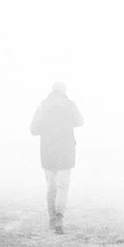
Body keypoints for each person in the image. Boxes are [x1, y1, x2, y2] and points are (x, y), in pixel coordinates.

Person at [30, 82, 83, 234]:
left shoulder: (43, 106)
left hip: (47, 151)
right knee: (63, 187)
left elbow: (33, 130)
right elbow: (80, 121)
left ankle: (52, 218)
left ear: (51, 91)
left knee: (51, 187)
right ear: (64, 91)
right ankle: (59, 217)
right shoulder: (70, 105)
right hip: (66, 151)